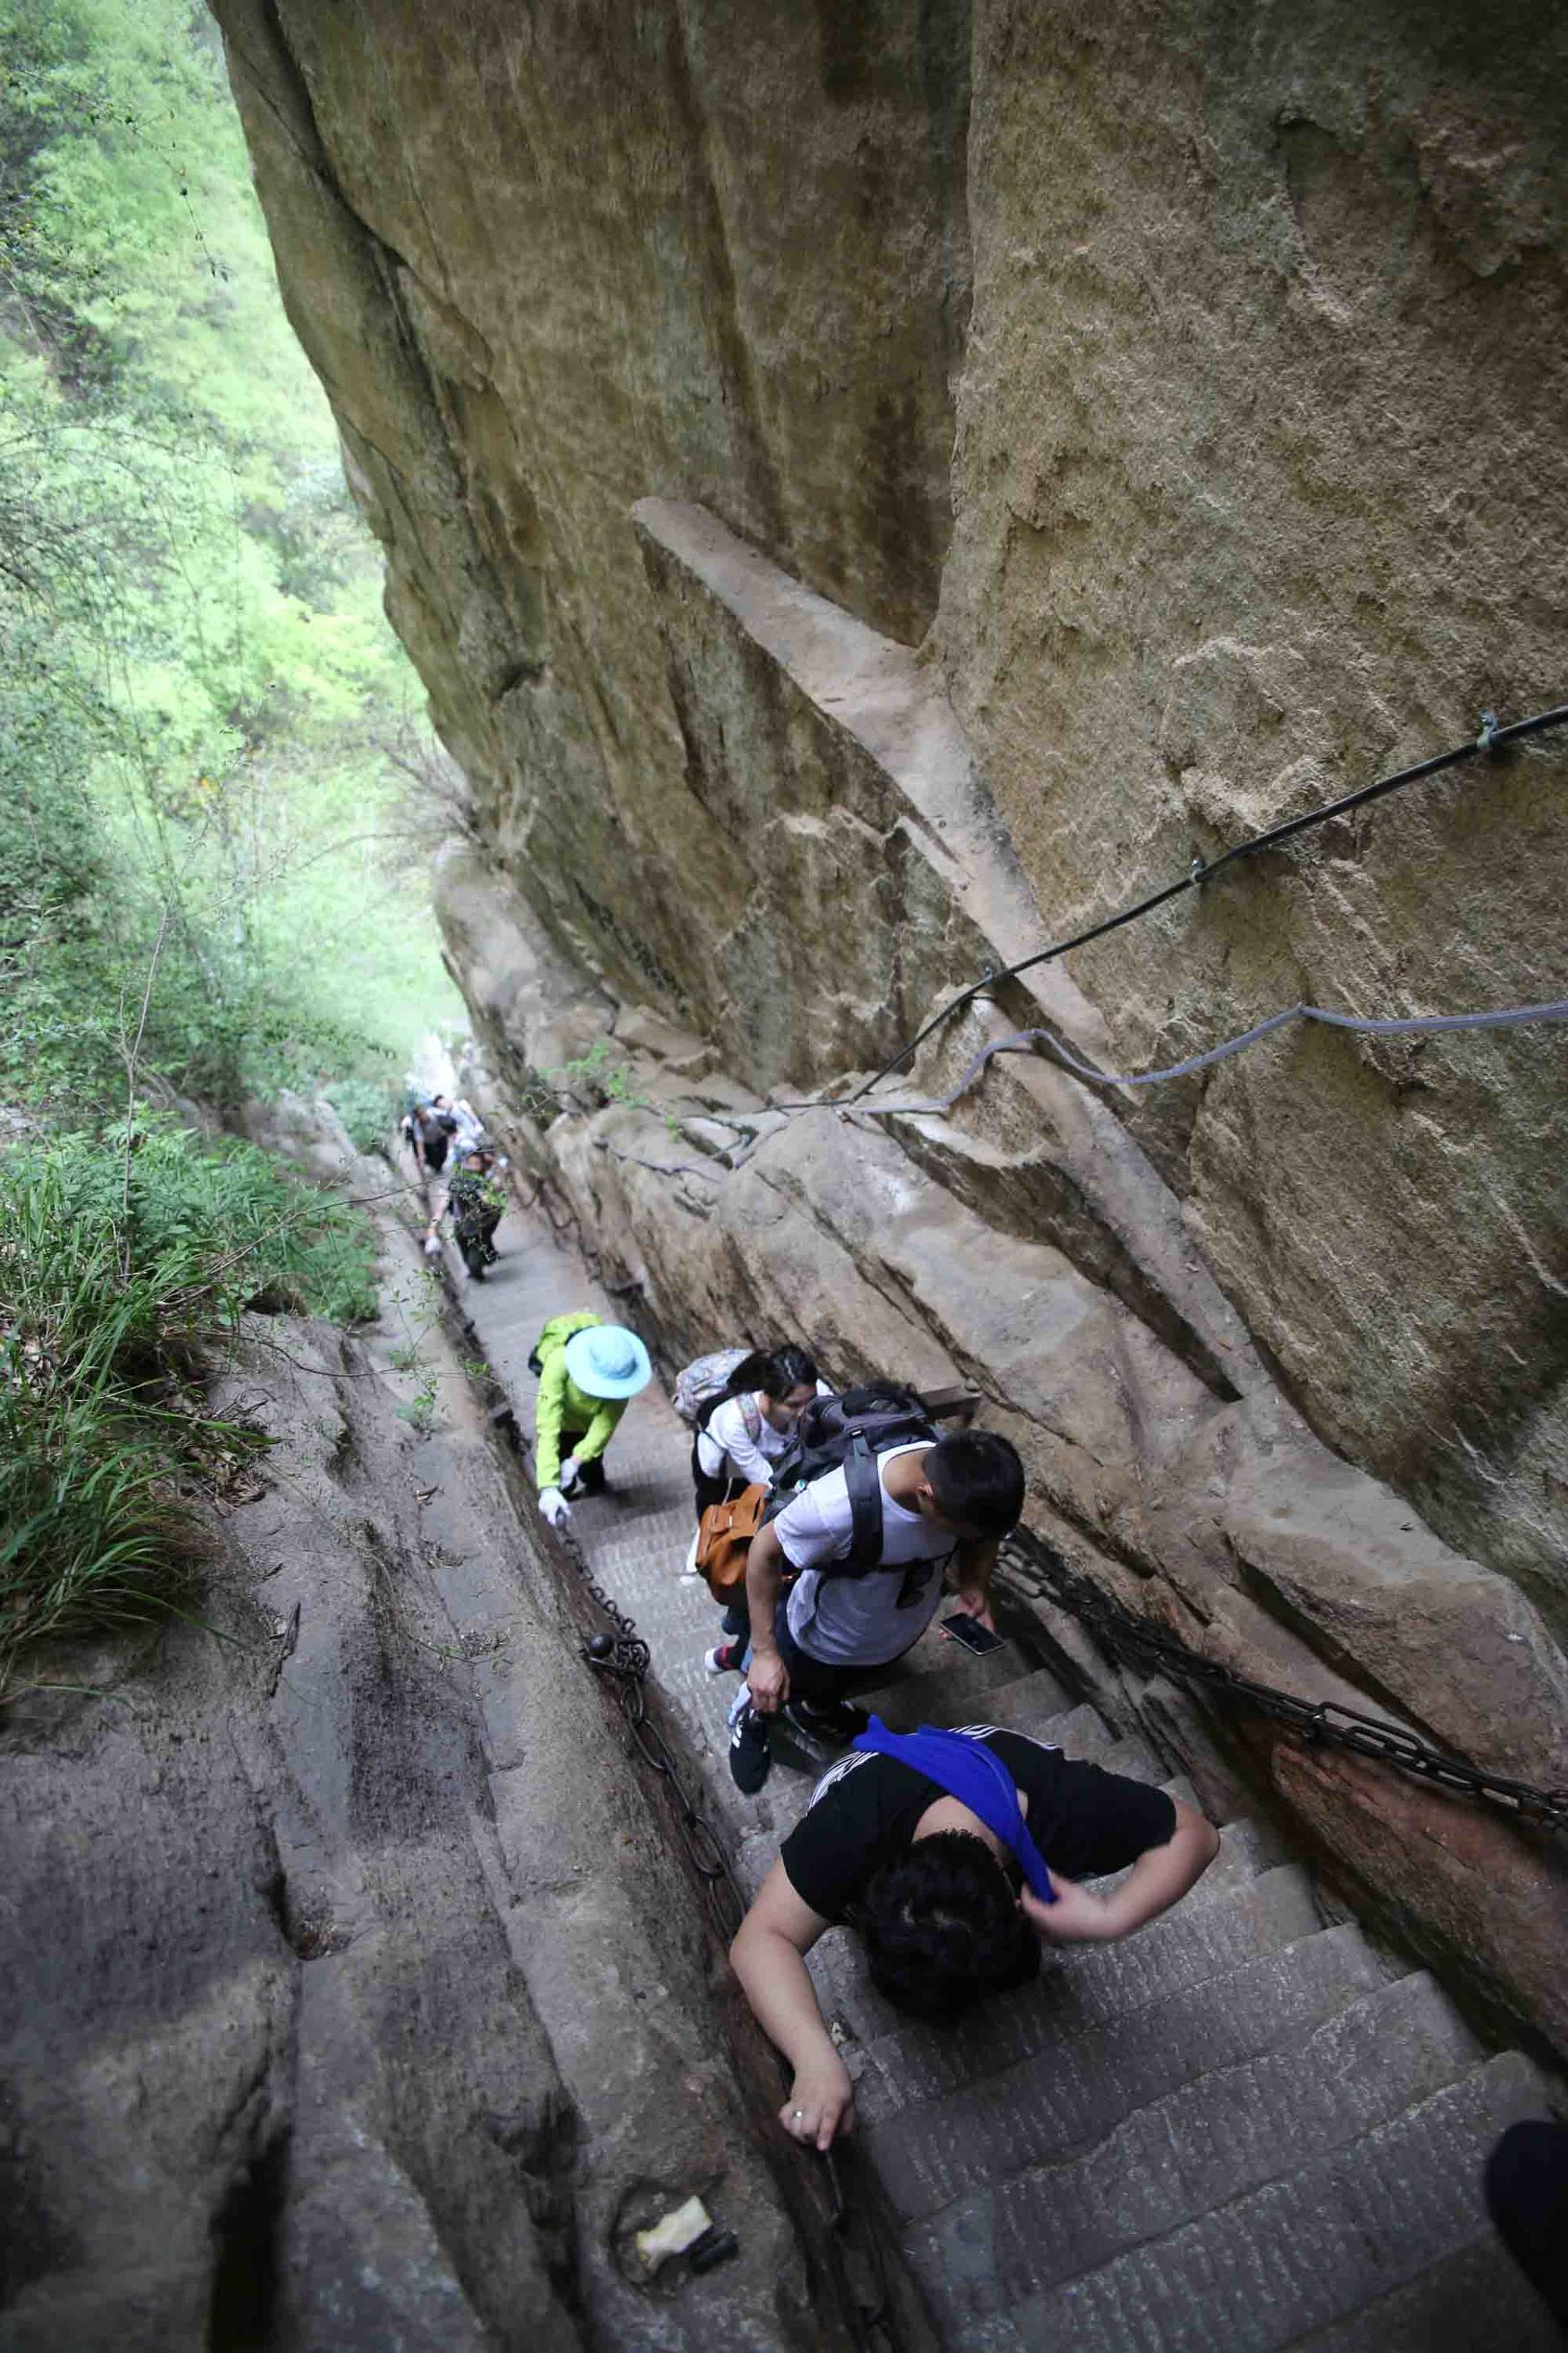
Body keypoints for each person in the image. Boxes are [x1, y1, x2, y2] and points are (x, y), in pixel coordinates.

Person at [729, 1717, 1220, 2149]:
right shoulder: (847, 1829)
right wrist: (814, 2058)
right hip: (876, 1778)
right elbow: (761, 1939)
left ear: (1015, 1900)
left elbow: (1196, 1834)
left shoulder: (1065, 1807)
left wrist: (1113, 1918)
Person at [721, 1423, 1026, 1795]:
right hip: (821, 1640)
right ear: (925, 1495)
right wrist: (766, 1654)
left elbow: (985, 1537)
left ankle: (818, 1712)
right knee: (782, 1684)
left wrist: (974, 1583)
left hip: (889, 1637)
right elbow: (763, 1553)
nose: (971, 1541)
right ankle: (753, 1719)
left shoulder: (964, 1485)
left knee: (830, 1690)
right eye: (964, 1534)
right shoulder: (835, 1509)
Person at [533, 1313, 652, 1529]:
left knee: (592, 1464)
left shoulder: (622, 1372)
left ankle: (595, 1486)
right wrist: (549, 1486)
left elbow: (604, 1425)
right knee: (560, 1464)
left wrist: (576, 1460)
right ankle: (563, 1496)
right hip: (562, 1425)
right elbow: (548, 1426)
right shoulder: (558, 1362)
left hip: (587, 1428)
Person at [403, 1093, 459, 1257]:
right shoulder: (418, 1127)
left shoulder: (436, 1114)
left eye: (422, 1114)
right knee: (435, 1162)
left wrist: (453, 1134)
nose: (422, 1117)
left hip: (440, 1138)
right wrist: (421, 1158)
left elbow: (450, 1121)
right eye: (419, 1117)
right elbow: (419, 1142)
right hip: (430, 1143)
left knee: (441, 1157)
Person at [445, 1142, 506, 1277]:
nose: (475, 1166)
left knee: (484, 1233)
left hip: (482, 1216)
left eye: (476, 1161)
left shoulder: (484, 1172)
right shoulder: (460, 1178)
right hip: (464, 1219)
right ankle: (472, 1265)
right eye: (471, 1162)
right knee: (462, 1240)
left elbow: (494, 1186)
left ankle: (486, 1256)